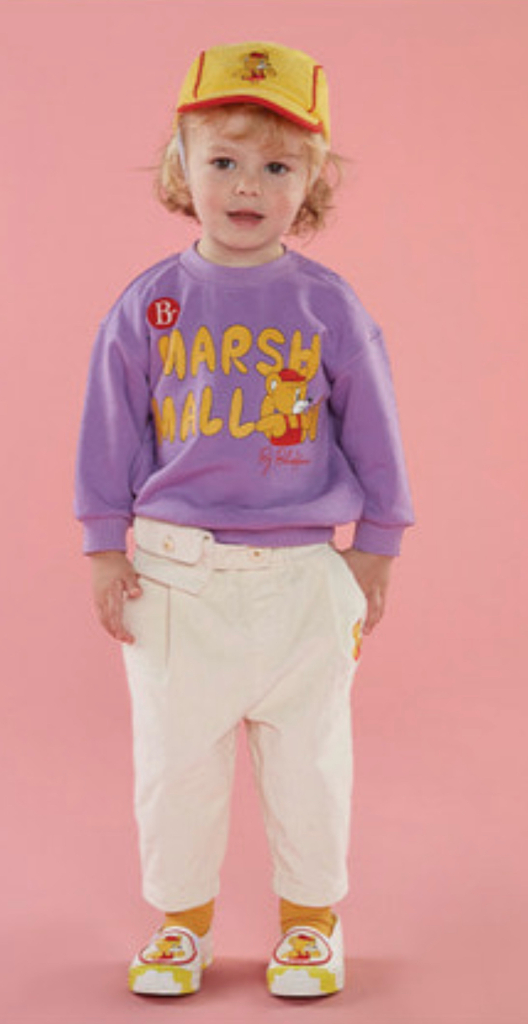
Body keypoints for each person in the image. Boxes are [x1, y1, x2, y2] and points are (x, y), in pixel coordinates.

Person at [74, 40, 414, 999]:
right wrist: (103, 546)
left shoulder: (327, 306)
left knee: (311, 763)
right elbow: (109, 430)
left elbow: (376, 429)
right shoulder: (149, 304)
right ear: (181, 167)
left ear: (313, 182)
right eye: (222, 160)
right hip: (176, 577)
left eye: (277, 166)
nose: (247, 185)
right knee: (175, 764)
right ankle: (180, 923)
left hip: (304, 576)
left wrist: (377, 547)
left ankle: (311, 923)